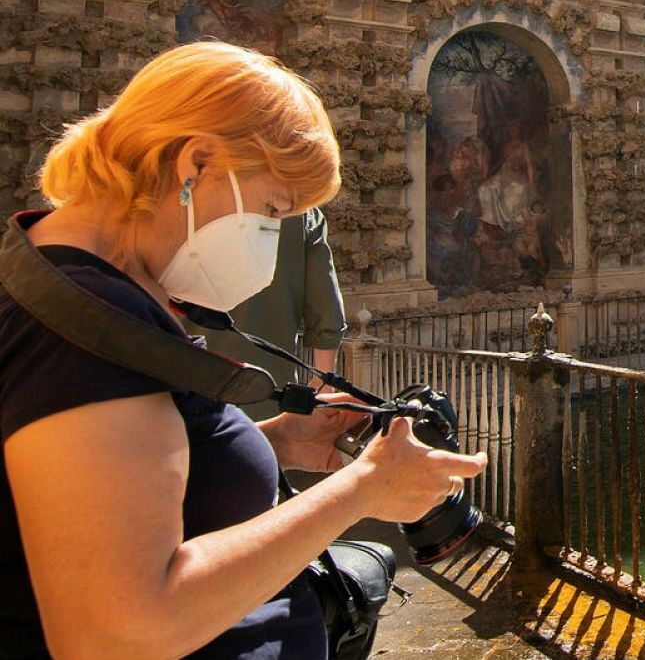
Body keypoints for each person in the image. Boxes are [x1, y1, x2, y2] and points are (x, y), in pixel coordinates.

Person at [0, 42, 486, 660]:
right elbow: (120, 632)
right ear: (196, 163)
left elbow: (125, 473)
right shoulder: (85, 326)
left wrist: (273, 439)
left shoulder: (82, 287)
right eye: (273, 210)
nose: (274, 237)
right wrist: (361, 492)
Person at [191, 208, 345, 421]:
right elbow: (326, 308)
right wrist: (324, 381)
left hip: (183, 393)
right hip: (267, 396)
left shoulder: (182, 202)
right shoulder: (301, 213)